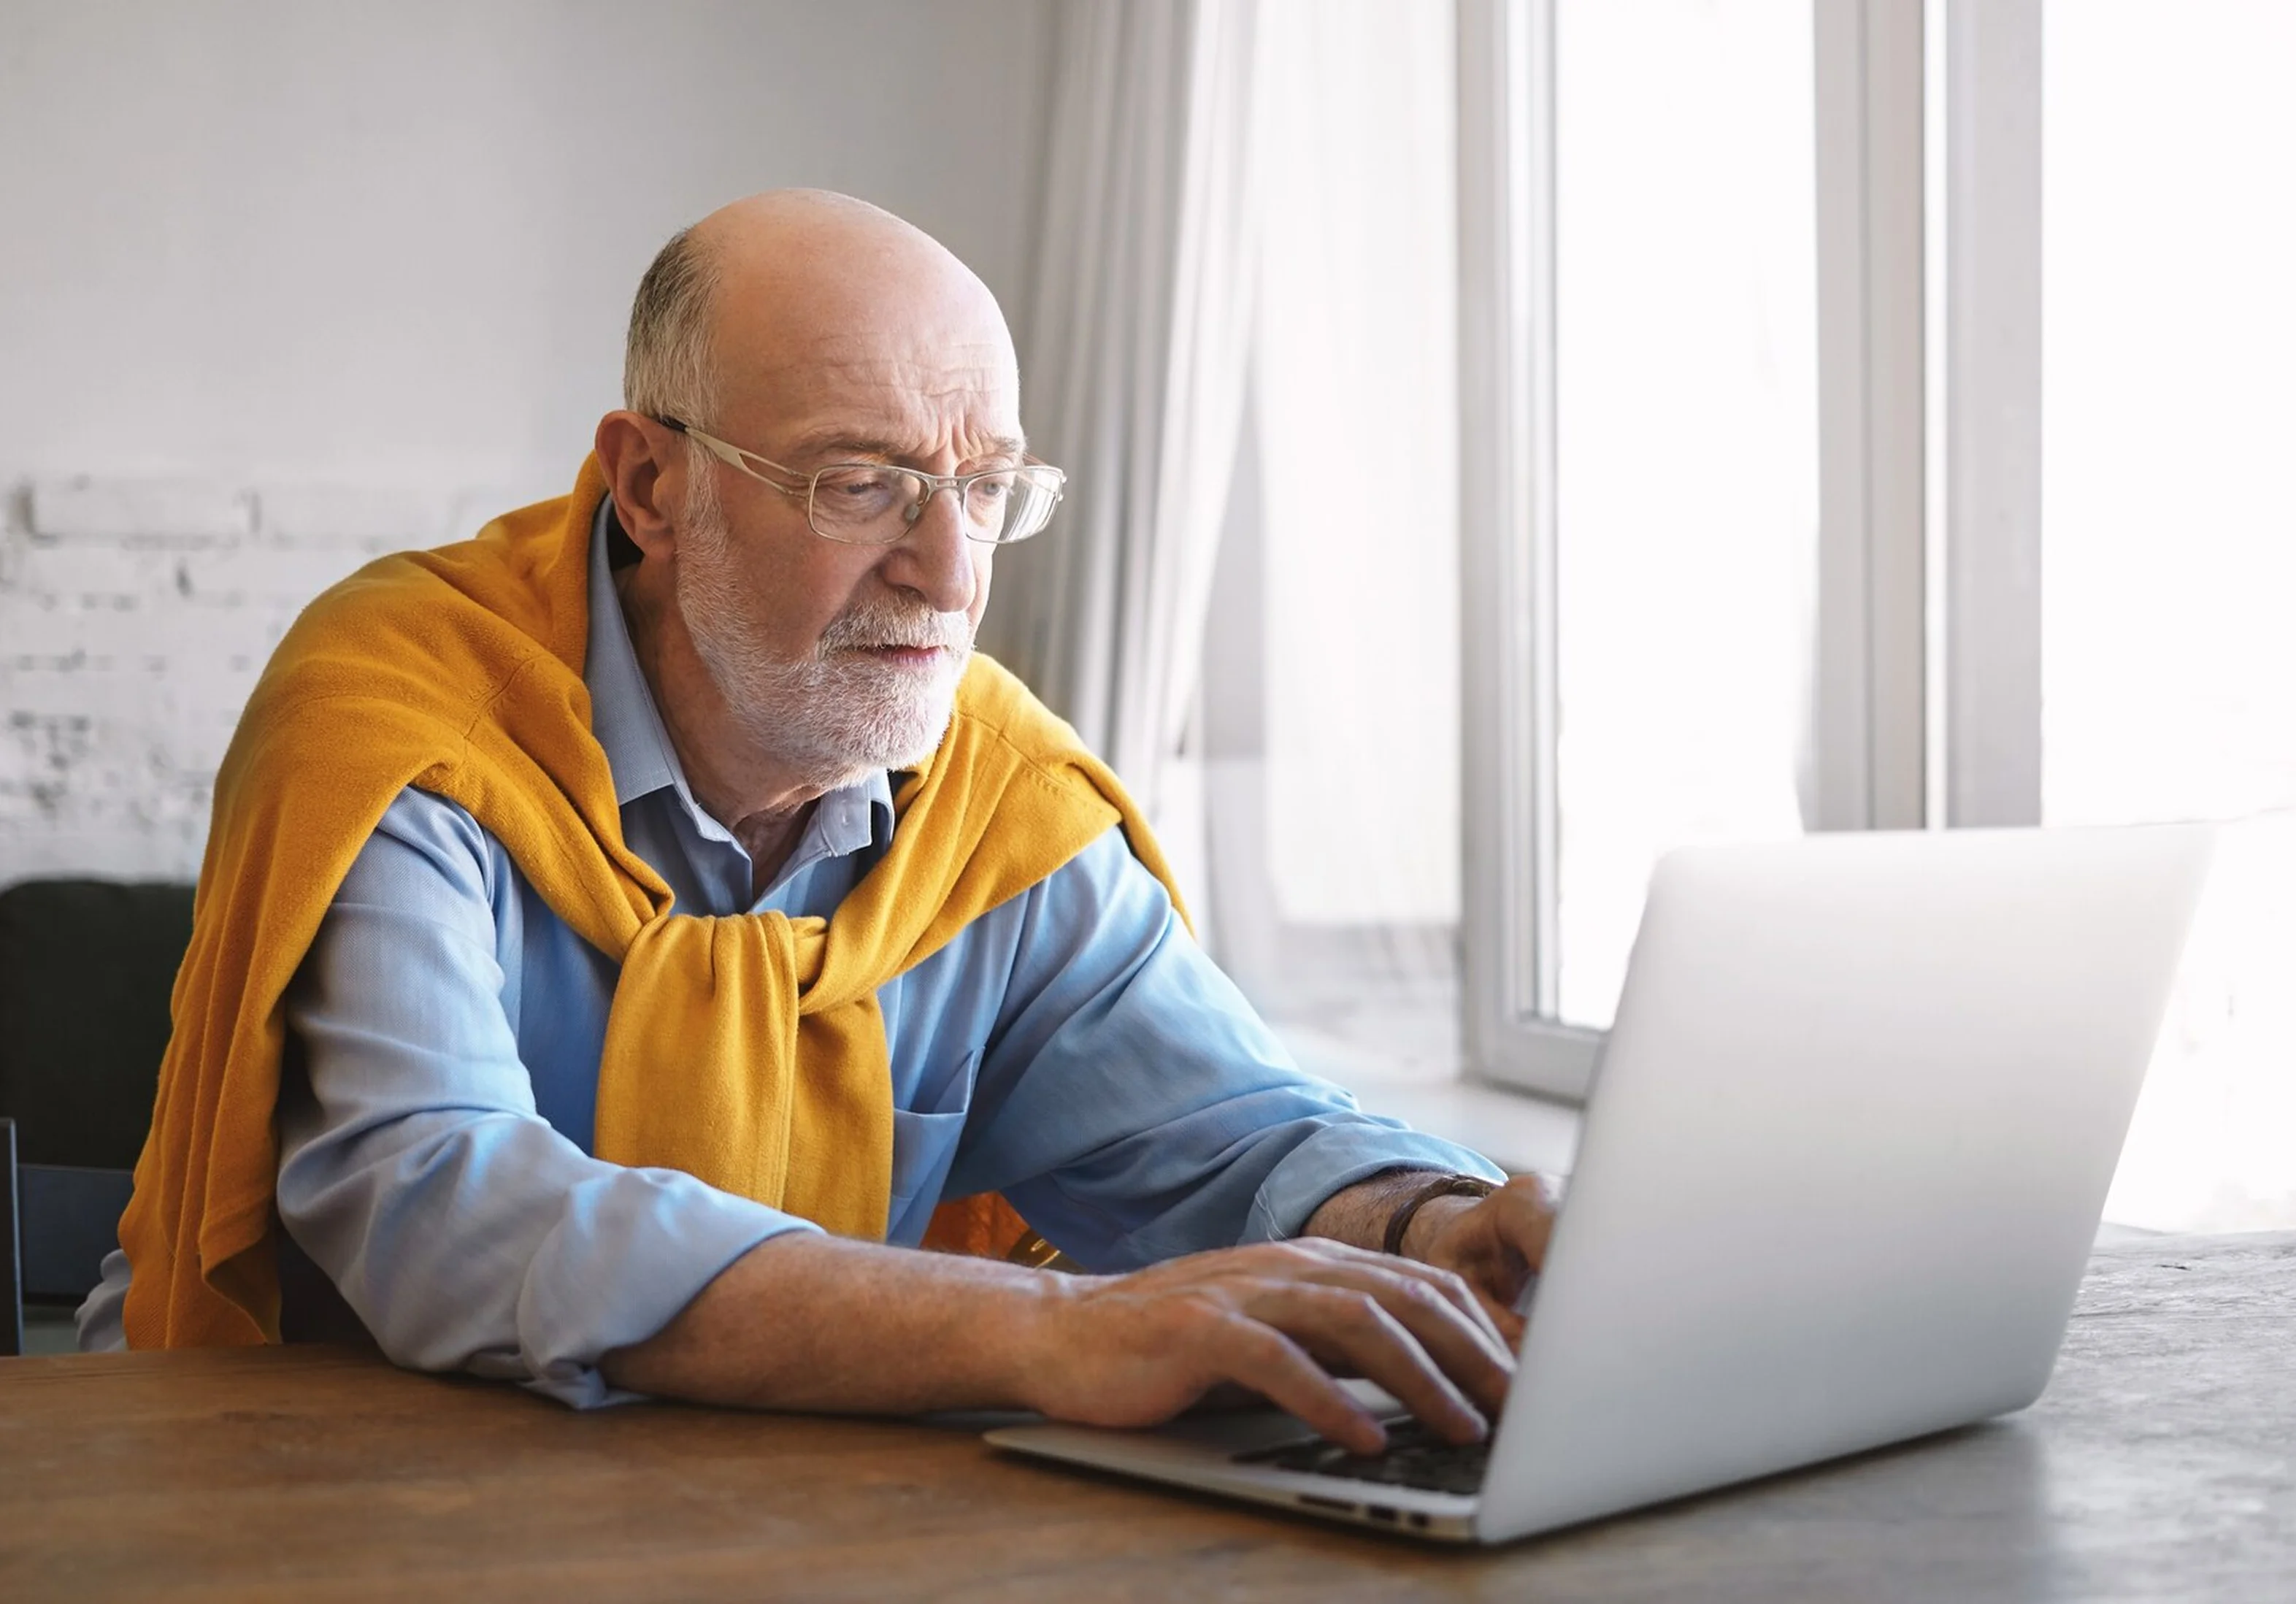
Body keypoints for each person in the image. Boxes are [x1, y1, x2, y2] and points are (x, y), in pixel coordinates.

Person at [83, 190, 1556, 1457]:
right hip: (313, 1481)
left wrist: (1430, 1230)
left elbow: (1219, 1138)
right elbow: (439, 1202)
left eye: (985, 489)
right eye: (864, 484)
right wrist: (1049, 1333)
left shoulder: (996, 799)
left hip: (773, 1498)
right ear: (652, 484)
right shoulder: (405, 711)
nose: (949, 572)